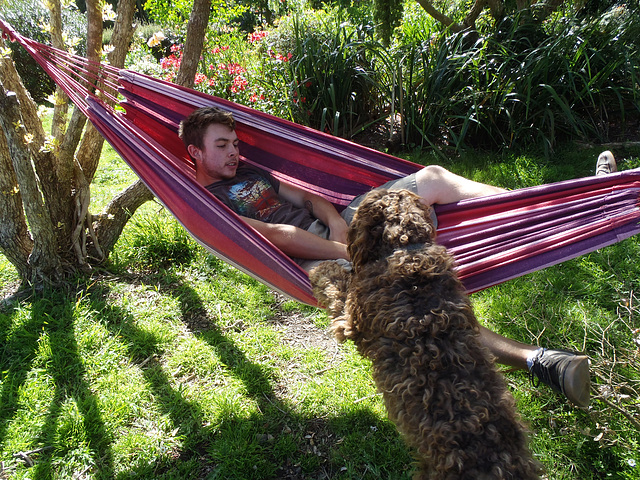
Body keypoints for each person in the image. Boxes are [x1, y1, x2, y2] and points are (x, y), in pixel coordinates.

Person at [179, 106, 616, 408]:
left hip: (341, 231)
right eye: (222, 145)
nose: (235, 151)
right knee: (413, 299)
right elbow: (279, 235)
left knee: (433, 178)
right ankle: (542, 362)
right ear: (195, 152)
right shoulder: (205, 203)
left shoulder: (252, 172)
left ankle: (565, 205)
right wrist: (347, 247)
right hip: (315, 260)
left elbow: (309, 198)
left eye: (235, 142)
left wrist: (337, 222)